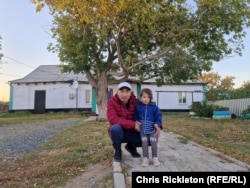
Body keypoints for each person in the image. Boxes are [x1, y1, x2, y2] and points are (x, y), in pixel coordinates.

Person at [107, 82, 142, 162]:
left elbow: (148, 111)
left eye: (127, 91)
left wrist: (157, 124)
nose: (124, 94)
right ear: (117, 92)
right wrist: (133, 124)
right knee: (115, 128)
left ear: (131, 92)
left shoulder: (136, 102)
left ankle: (131, 146)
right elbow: (113, 119)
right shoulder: (111, 102)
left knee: (151, 137)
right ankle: (118, 150)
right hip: (119, 132)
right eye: (122, 91)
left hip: (132, 132)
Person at [135, 88, 162, 167]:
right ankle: (145, 158)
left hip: (152, 129)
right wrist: (137, 121)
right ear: (141, 98)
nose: (146, 99)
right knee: (144, 143)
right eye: (144, 97)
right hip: (143, 130)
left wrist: (157, 124)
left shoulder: (154, 107)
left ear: (150, 98)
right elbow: (135, 115)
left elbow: (158, 116)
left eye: (148, 97)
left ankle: (155, 157)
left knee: (154, 142)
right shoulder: (139, 107)